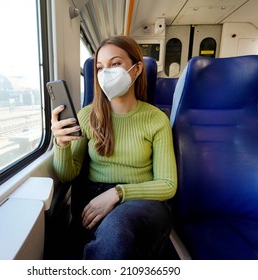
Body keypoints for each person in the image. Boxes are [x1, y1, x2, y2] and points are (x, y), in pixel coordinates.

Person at [51, 35, 177, 259]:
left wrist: (118, 193)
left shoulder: (156, 119)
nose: (106, 73)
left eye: (115, 64)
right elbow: (68, 173)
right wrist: (61, 144)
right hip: (93, 197)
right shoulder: (88, 115)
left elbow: (167, 184)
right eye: (100, 67)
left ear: (136, 69)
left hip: (142, 200)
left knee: (118, 234)